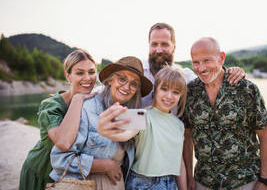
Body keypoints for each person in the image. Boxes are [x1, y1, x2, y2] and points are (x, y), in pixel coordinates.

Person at [181, 37, 267, 190]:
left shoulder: (246, 89)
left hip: (245, 182)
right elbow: (187, 138)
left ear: (221, 58)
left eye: (207, 60)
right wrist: (189, 177)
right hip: (203, 182)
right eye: (196, 62)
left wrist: (265, 180)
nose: (201, 68)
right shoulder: (190, 92)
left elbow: (266, 136)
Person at [49, 56, 153, 190]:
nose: (127, 87)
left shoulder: (133, 116)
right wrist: (105, 165)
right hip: (85, 185)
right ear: (110, 80)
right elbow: (59, 160)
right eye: (122, 79)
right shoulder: (87, 108)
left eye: (134, 84)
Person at [97, 65, 188, 190]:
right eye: (164, 89)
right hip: (142, 183)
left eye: (176, 92)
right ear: (155, 89)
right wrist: (104, 131)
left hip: (170, 183)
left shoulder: (179, 125)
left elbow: (180, 162)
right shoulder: (142, 115)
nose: (169, 96)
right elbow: (124, 135)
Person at [19, 49, 98, 190]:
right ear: (68, 76)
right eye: (80, 73)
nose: (88, 78)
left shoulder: (94, 100)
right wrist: (77, 100)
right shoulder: (51, 105)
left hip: (71, 176)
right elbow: (64, 142)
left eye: (91, 72)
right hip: (41, 172)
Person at [142, 23, 246, 108]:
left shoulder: (185, 76)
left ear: (174, 47)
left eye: (164, 44)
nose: (159, 50)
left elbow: (211, 80)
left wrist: (233, 72)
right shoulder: (138, 72)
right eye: (154, 44)